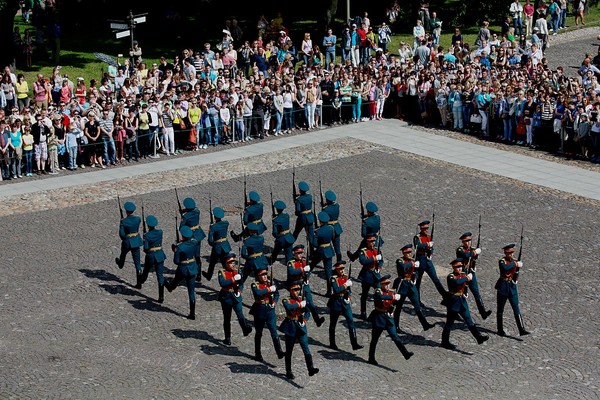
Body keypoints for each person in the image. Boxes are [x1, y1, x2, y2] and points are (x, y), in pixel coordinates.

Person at [441, 259, 490, 350]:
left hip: (462, 301)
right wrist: (467, 278)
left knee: (468, 319)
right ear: (453, 268)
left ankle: (478, 337)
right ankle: (444, 341)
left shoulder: (463, 274)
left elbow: (467, 284)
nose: (459, 269)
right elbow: (457, 282)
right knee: (449, 322)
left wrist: (472, 270)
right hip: (453, 302)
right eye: (457, 267)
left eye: (460, 267)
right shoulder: (450, 277)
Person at [367, 274, 414, 365]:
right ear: (381, 284)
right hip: (379, 317)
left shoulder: (391, 292)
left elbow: (393, 304)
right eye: (385, 284)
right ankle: (371, 357)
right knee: (374, 339)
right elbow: (380, 297)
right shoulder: (378, 291)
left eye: (388, 283)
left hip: (388, 317)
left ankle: (405, 353)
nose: (387, 285)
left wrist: (395, 302)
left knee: (395, 336)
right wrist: (393, 297)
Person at [278, 282, 320, 380]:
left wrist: (305, 320)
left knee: (306, 348)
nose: (297, 292)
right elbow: (288, 307)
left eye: (298, 290)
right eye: (295, 290)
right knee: (289, 351)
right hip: (291, 326)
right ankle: (288, 371)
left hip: (301, 327)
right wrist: (299, 304)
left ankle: (311, 368)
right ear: (290, 291)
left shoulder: (302, 300)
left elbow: (308, 312)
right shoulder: (287, 300)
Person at [393, 244, 435, 332]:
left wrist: (415, 277)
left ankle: (425, 324)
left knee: (417, 305)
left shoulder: (412, 260)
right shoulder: (400, 261)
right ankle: (396, 326)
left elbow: (415, 272)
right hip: (402, 284)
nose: (409, 254)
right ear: (403, 253)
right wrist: (413, 265)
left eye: (410, 252)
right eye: (407, 252)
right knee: (398, 307)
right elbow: (403, 268)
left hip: (411, 285)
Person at [164, 226, 200, 320]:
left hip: (183, 268)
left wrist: (175, 251)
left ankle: (170, 287)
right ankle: (192, 313)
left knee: (176, 281)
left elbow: (176, 261)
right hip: (192, 267)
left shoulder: (180, 247)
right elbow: (196, 254)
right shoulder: (194, 243)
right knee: (191, 291)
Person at [250, 268, 285, 362]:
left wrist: (274, 302)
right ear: (258, 276)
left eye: (265, 274)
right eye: (262, 275)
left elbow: (277, 294)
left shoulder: (270, 283)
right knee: (259, 333)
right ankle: (258, 353)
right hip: (259, 310)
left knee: (274, 331)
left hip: (270, 311)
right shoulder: (255, 285)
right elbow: (258, 293)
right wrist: (269, 289)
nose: (265, 276)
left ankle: (279, 351)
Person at [287, 244, 326, 327]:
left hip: (305, 286)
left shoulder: (304, 262)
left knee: (311, 304)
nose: (301, 255)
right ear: (294, 254)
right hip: (296, 287)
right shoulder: (291, 263)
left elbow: (307, 272)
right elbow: (292, 272)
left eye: (301, 253)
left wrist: (307, 277)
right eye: (299, 253)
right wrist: (302, 269)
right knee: (298, 307)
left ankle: (317, 320)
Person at [218, 252, 253, 345]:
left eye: (234, 262)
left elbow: (241, 284)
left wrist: (239, 291)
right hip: (226, 297)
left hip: (236, 296)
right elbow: (223, 283)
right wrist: (233, 279)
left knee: (240, 314)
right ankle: (227, 337)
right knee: (227, 318)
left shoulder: (238, 272)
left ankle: (245, 329)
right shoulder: (222, 272)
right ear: (226, 263)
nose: (233, 264)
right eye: (230, 262)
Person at [327, 261, 363, 351]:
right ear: (336, 269)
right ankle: (332, 343)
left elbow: (349, 290)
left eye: (343, 268)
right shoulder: (333, 279)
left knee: (351, 322)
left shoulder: (346, 277)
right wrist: (345, 285)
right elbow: (336, 290)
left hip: (345, 302)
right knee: (333, 323)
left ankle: (354, 343)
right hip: (336, 302)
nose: (342, 270)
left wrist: (349, 296)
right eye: (340, 269)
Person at [456, 232, 492, 320]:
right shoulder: (460, 249)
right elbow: (465, 255)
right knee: (460, 295)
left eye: (469, 240)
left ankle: (483, 313)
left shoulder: (472, 249)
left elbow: (474, 258)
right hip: (462, 275)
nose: (468, 243)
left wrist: (475, 253)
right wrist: (475, 252)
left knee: (477, 293)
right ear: (463, 242)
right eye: (466, 241)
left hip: (471, 274)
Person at [496, 244, 531, 336]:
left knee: (516, 307)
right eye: (509, 253)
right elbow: (505, 268)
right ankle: (500, 329)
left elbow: (516, 272)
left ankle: (521, 329)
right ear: (505, 253)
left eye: (512, 253)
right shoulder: (502, 261)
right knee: (500, 309)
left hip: (512, 287)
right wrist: (516, 264)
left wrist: (516, 278)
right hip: (503, 286)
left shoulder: (514, 261)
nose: (511, 255)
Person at [413, 220, 448, 302]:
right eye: (425, 229)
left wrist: (431, 253)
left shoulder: (429, 237)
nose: (426, 230)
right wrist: (427, 244)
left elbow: (432, 248)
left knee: (436, 279)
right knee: (418, 282)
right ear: (421, 229)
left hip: (428, 261)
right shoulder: (417, 237)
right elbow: (417, 246)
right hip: (420, 260)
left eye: (427, 228)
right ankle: (417, 301)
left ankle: (445, 296)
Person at [139, 215, 166, 303]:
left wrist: (144, 239)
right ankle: (161, 296)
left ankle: (142, 280)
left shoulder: (147, 235)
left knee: (146, 269)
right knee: (160, 275)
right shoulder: (160, 232)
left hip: (151, 255)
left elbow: (146, 248)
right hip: (159, 254)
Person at [115, 201, 143, 285]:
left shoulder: (124, 221)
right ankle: (139, 282)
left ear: (126, 211)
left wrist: (122, 223)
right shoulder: (138, 219)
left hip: (127, 241)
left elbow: (122, 235)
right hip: (136, 241)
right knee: (137, 262)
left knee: (123, 253)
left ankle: (121, 263)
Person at [179, 197, 207, 279]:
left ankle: (189, 271)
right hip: (198, 234)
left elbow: (181, 228)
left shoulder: (186, 217)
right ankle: (199, 274)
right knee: (197, 255)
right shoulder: (197, 212)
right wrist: (185, 211)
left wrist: (183, 216)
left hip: (190, 236)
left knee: (189, 255)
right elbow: (193, 210)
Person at [357, 233, 383, 320]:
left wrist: (379, 267)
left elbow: (381, 260)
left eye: (374, 241)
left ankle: (376, 312)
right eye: (371, 241)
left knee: (378, 294)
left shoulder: (377, 250)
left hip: (376, 275)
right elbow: (363, 261)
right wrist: (374, 258)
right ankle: (363, 313)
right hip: (367, 274)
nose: (373, 243)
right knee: (364, 294)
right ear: (367, 242)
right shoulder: (363, 251)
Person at [310, 211, 336, 296]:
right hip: (328, 249)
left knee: (311, 266)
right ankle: (329, 291)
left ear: (320, 221)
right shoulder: (331, 228)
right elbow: (333, 237)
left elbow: (314, 244)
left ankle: (304, 281)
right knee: (328, 272)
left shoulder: (318, 231)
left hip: (320, 251)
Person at [202, 207, 232, 281]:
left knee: (212, 263)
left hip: (217, 247)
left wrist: (213, 244)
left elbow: (210, 240)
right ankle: (230, 276)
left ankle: (209, 275)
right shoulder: (226, 223)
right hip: (225, 245)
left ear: (215, 217)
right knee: (225, 263)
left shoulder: (213, 227)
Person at [270, 200, 296, 265]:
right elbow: (282, 218)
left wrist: (274, 218)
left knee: (275, 252)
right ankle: (290, 265)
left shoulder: (275, 220)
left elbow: (274, 233)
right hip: (288, 236)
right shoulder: (287, 216)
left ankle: (271, 261)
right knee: (289, 253)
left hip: (281, 239)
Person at [320, 189, 343, 262]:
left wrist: (323, 207)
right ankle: (339, 262)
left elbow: (324, 218)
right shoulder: (337, 206)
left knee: (326, 245)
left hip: (329, 228)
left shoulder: (325, 209)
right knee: (337, 248)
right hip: (336, 227)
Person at [292, 181, 316, 247]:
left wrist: (296, 202)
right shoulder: (310, 196)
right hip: (310, 217)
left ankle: (289, 245)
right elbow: (305, 197)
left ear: (300, 190)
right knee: (311, 235)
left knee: (296, 232)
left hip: (302, 219)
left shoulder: (299, 200)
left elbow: (298, 211)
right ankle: (312, 249)